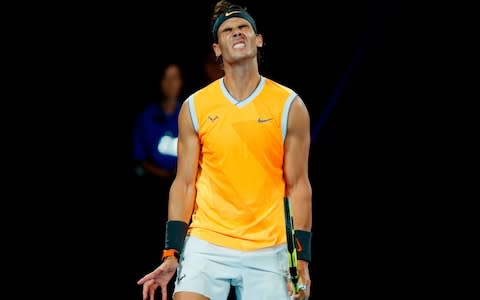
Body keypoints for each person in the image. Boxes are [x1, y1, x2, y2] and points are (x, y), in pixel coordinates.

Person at [137, 1, 312, 300]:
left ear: (259, 40)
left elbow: (298, 186)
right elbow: (184, 184)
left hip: (268, 248)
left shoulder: (289, 105)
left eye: (244, 27)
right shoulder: (194, 107)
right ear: (217, 48)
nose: (237, 33)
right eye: (228, 30)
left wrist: (302, 260)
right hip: (207, 242)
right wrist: (171, 253)